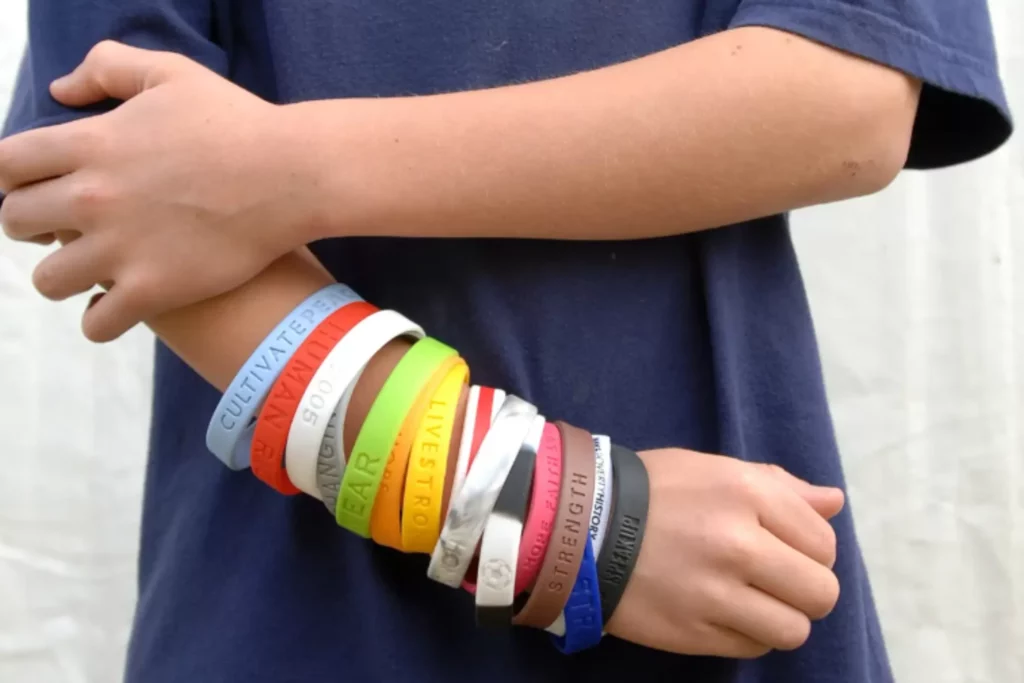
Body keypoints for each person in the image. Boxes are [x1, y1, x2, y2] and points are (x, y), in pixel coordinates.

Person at [0, 0, 1011, 682]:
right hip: (301, 621)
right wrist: (570, 526)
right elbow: (115, 182)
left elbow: (850, 94)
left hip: (723, 593)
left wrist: (284, 168)